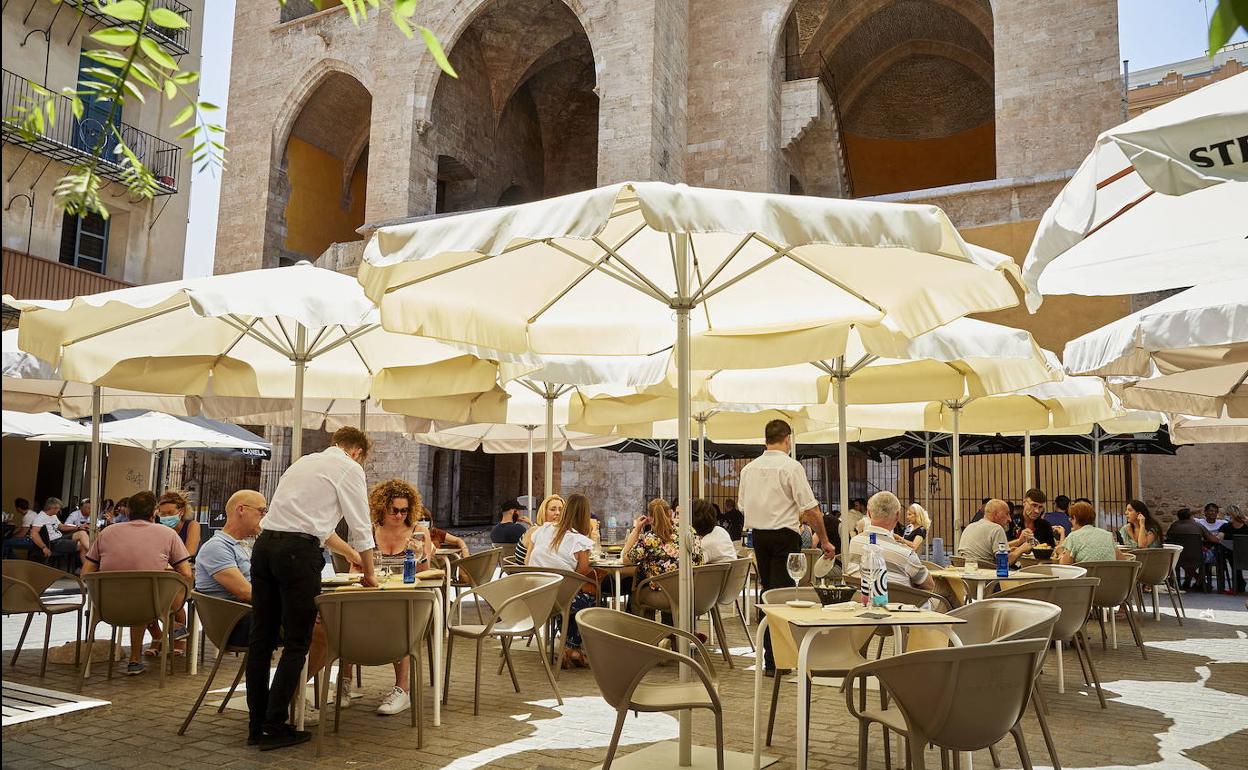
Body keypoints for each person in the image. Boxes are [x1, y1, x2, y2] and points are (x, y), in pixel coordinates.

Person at [246, 427, 378, 751]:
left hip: (264, 548)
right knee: (297, 642)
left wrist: (348, 555)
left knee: (261, 641)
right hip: (296, 555)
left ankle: (256, 726)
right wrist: (370, 574)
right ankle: (274, 726)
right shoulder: (349, 468)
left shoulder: (304, 463)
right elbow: (361, 525)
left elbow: (314, 524)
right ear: (358, 451)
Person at [196, 491, 332, 699]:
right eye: (262, 511)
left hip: (256, 615)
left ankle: (285, 694)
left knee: (328, 623)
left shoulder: (245, 546)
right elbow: (245, 592)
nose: (265, 517)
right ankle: (286, 696)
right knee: (321, 632)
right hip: (236, 623)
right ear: (241, 510)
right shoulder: (216, 547)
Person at [738, 419, 834, 674]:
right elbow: (812, 509)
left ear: (765, 440)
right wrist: (824, 539)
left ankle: (772, 657)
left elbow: (742, 507)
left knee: (768, 592)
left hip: (758, 537)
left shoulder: (748, 470)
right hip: (784, 536)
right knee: (781, 596)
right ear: (788, 439)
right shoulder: (791, 467)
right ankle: (777, 660)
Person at [81, 490, 192, 676]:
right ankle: (173, 626)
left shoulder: (107, 532)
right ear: (154, 512)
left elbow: (86, 573)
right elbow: (186, 573)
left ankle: (136, 659)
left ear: (127, 511)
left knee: (136, 593)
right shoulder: (167, 534)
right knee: (150, 592)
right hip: (150, 608)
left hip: (107, 608)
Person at [528, 492, 597, 668]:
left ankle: (570, 648)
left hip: (534, 595)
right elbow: (581, 574)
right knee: (590, 598)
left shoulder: (541, 530)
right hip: (557, 600)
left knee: (568, 598)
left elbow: (528, 562)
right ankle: (571, 648)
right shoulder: (579, 541)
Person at [845, 492, 935, 591]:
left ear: (869, 513)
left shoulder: (854, 543)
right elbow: (929, 585)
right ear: (897, 515)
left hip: (861, 602)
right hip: (901, 604)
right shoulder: (905, 554)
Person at [623, 498, 704, 589]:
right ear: (670, 512)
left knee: (633, 588)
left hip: (664, 592)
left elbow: (625, 559)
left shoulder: (649, 539)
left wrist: (637, 529)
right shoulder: (688, 529)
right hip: (691, 589)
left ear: (649, 518)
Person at [958, 498, 1033, 566]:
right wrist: (1021, 549)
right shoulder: (996, 529)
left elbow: (990, 547)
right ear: (995, 514)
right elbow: (1004, 562)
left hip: (967, 573)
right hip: (987, 576)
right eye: (1007, 514)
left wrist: (1019, 541)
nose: (1009, 519)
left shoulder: (971, 526)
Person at [1057, 501, 1125, 564]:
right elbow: (1123, 561)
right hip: (1109, 576)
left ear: (1075, 518)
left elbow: (1065, 565)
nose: (1069, 520)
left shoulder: (1073, 537)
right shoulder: (1108, 535)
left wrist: (1060, 554)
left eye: (1071, 518)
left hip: (1086, 576)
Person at [1166, 507, 1217, 590]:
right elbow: (1214, 540)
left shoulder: (1173, 526)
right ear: (1190, 517)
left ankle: (1192, 581)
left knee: (1186, 562)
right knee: (1210, 557)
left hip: (1178, 556)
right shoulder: (1198, 526)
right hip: (1197, 556)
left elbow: (1168, 538)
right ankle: (1200, 581)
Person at [29, 497, 89, 565]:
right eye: (58, 508)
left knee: (82, 533)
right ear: (52, 508)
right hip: (53, 543)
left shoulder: (53, 515)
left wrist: (78, 527)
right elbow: (34, 534)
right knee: (82, 545)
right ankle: (87, 569)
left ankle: (91, 552)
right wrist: (44, 547)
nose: (59, 510)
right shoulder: (40, 518)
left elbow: (62, 527)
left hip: (60, 538)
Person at [516, 494, 563, 564]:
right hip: (525, 572)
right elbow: (528, 562)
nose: (557, 513)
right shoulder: (536, 531)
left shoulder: (552, 532)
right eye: (553, 509)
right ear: (544, 512)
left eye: (561, 510)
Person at [159, 491, 201, 560]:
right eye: (163, 514)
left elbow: (189, 553)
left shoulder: (192, 526)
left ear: (181, 511)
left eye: (170, 513)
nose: (167, 517)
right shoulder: (159, 528)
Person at [692, 499, 737, 564]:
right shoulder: (721, 531)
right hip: (734, 573)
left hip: (716, 574)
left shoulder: (705, 545)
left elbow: (690, 565)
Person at [1217, 507, 1247, 593]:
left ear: (1231, 515)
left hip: (1235, 555)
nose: (1226, 516)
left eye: (1227, 514)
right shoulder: (1226, 526)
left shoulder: (1226, 526)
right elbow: (1220, 537)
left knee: (1230, 556)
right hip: (1238, 555)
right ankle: (1239, 584)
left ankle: (1237, 584)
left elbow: (1219, 538)